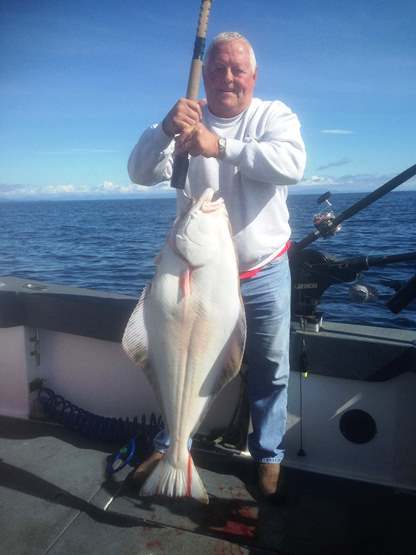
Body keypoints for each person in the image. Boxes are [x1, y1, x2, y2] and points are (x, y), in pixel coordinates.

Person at [127, 32, 306, 497]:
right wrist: (165, 131)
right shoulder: (185, 118)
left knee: (270, 366)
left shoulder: (273, 115)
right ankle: (171, 443)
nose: (228, 77)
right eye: (218, 68)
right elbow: (141, 173)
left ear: (253, 76)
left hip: (263, 270)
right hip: (196, 278)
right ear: (204, 75)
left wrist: (220, 146)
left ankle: (268, 455)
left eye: (237, 69)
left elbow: (291, 164)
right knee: (175, 357)